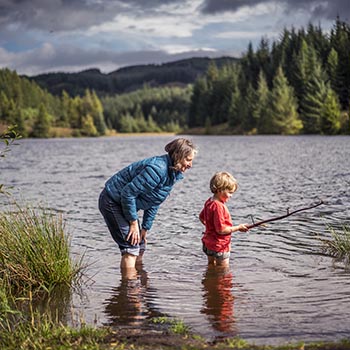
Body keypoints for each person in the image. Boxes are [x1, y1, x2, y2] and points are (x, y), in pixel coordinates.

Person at [99, 138, 197, 270]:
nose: (190, 165)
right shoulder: (157, 169)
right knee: (131, 246)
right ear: (178, 156)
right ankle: (130, 287)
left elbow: (154, 200)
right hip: (112, 200)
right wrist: (133, 223)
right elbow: (128, 193)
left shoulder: (172, 172)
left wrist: (145, 228)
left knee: (140, 243)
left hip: (124, 202)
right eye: (188, 160)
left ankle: (139, 278)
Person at [199, 171, 249, 267]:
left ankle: (210, 281)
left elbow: (201, 217)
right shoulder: (219, 206)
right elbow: (221, 230)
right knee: (223, 271)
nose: (231, 195)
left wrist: (210, 228)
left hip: (208, 243)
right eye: (229, 192)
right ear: (219, 190)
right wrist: (238, 227)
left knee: (211, 266)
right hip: (220, 246)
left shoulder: (209, 202)